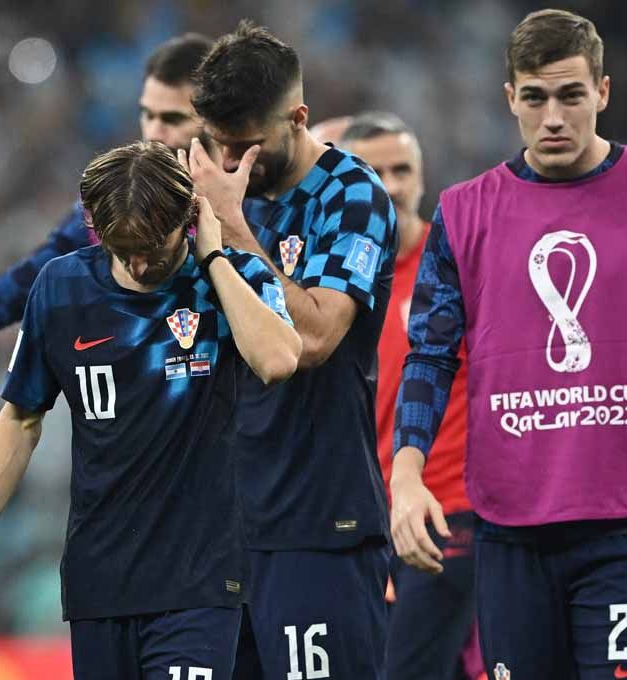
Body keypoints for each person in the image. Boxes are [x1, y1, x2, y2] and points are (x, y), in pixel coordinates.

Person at [389, 10, 627, 679]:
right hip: (507, 531)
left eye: (570, 95)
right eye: (535, 98)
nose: (552, 117)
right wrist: (405, 475)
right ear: (510, 100)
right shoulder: (464, 213)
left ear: (603, 92)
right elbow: (430, 357)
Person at [0, 141, 301, 679]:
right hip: (100, 576)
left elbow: (278, 359)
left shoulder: (232, 279)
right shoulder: (62, 287)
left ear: (189, 217)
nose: (139, 264)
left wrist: (212, 256)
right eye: (123, 247)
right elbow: (22, 416)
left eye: (153, 248)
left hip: (199, 578)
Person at [188, 21, 398, 678]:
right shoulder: (213, 185)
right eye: (217, 145)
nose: (228, 164)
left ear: (297, 117)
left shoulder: (351, 195)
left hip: (319, 522)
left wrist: (230, 229)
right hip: (216, 531)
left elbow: (312, 337)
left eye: (245, 147)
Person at [0, 33, 212, 329]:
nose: (155, 133)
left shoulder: (255, 203)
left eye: (173, 118)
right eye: (148, 115)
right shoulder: (110, 201)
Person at [341, 112, 480, 680]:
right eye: (375, 172)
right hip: (367, 524)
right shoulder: (331, 289)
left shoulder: (461, 267)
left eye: (404, 170)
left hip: (450, 510)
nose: (393, 186)